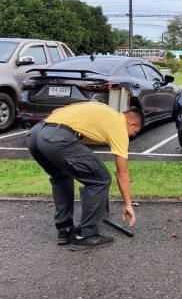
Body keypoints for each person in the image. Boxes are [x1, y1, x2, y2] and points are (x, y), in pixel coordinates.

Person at [26, 102, 142, 250]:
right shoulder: (119, 125)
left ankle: (65, 229)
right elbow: (122, 172)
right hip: (56, 138)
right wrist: (128, 204)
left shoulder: (102, 110)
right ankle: (86, 235)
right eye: (134, 132)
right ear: (131, 123)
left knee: (61, 176)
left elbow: (57, 109)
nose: (132, 135)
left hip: (35, 134)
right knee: (101, 179)